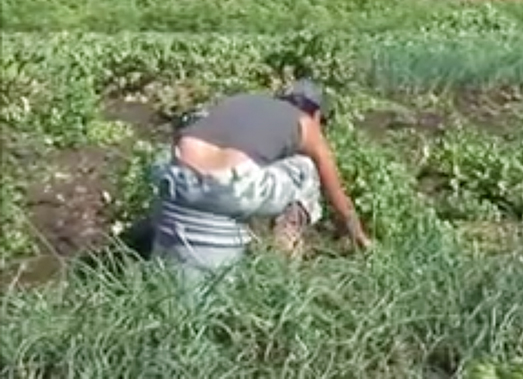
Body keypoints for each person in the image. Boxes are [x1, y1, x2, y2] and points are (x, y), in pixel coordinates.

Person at [147, 80, 370, 281]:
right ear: (317, 115)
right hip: (233, 188)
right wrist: (358, 236)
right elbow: (335, 191)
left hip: (175, 179)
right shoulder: (306, 124)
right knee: (306, 168)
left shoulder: (241, 103)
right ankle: (286, 241)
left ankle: (151, 229)